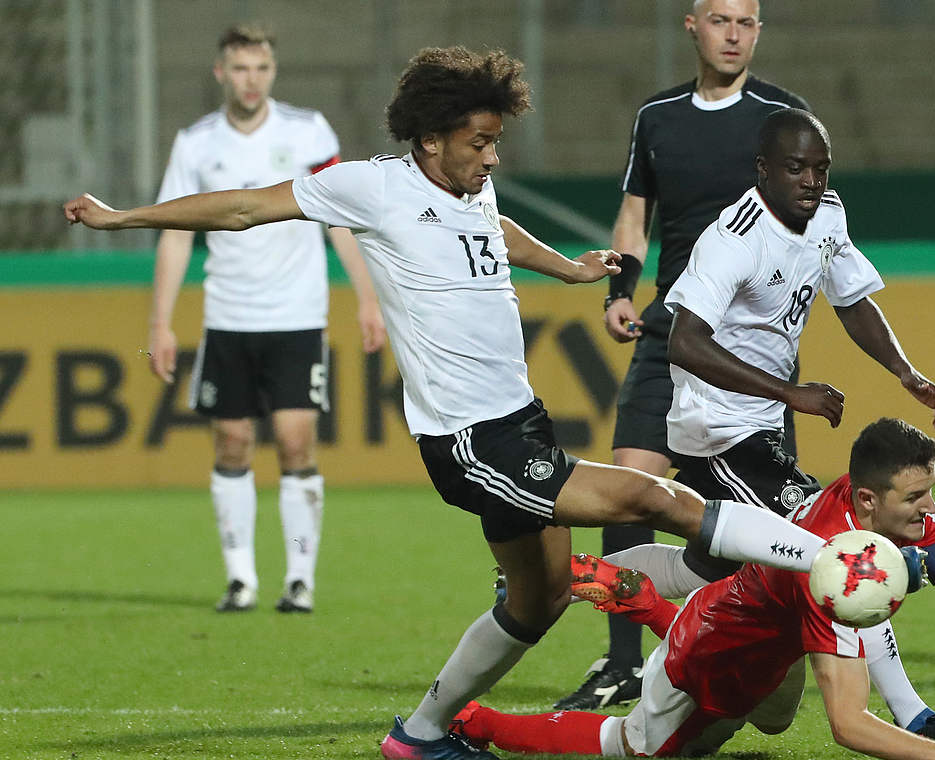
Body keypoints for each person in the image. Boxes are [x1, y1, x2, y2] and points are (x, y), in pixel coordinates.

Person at [65, 45, 838, 760]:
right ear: (431, 139)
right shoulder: (371, 187)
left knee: (538, 601)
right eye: (480, 142)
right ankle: (824, 557)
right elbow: (242, 208)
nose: (492, 156)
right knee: (651, 497)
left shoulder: (471, 184)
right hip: (472, 440)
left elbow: (492, 228)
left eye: (495, 141)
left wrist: (567, 269)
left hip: (518, 418)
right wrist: (123, 218)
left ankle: (419, 737)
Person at [447, 419, 935, 759]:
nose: (930, 510)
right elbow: (849, 726)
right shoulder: (831, 576)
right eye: (916, 498)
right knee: (638, 747)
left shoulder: (887, 515)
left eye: (931, 492)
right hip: (713, 652)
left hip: (768, 642)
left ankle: (629, 593)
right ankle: (474, 721)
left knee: (774, 721)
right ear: (867, 501)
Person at [641, 106, 935, 745]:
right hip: (717, 431)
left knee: (706, 567)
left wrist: (904, 371)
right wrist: (790, 392)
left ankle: (571, 575)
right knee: (842, 549)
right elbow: (684, 343)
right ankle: (914, 716)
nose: (811, 180)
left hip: (762, 423)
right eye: (796, 168)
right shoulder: (732, 238)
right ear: (763, 169)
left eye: (820, 168)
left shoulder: (827, 213)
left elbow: (851, 299)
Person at [564, 0, 811, 711]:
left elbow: (812, 224)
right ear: (692, 26)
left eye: (747, 22)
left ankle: (739, 653)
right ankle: (622, 661)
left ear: (758, 30)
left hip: (750, 346)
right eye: (720, 19)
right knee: (625, 485)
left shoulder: (784, 118)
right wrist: (620, 289)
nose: (734, 34)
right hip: (670, 331)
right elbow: (635, 215)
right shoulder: (657, 117)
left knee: (755, 509)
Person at [150, 24, 386, 614]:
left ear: (272, 72)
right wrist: (160, 323)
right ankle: (240, 579)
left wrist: (367, 296)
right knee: (232, 444)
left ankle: (299, 578)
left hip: (296, 315)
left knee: (294, 440)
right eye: (239, 68)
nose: (250, 80)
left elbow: (340, 218)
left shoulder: (307, 131)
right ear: (220, 74)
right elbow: (175, 235)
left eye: (260, 68)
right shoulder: (196, 143)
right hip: (228, 316)